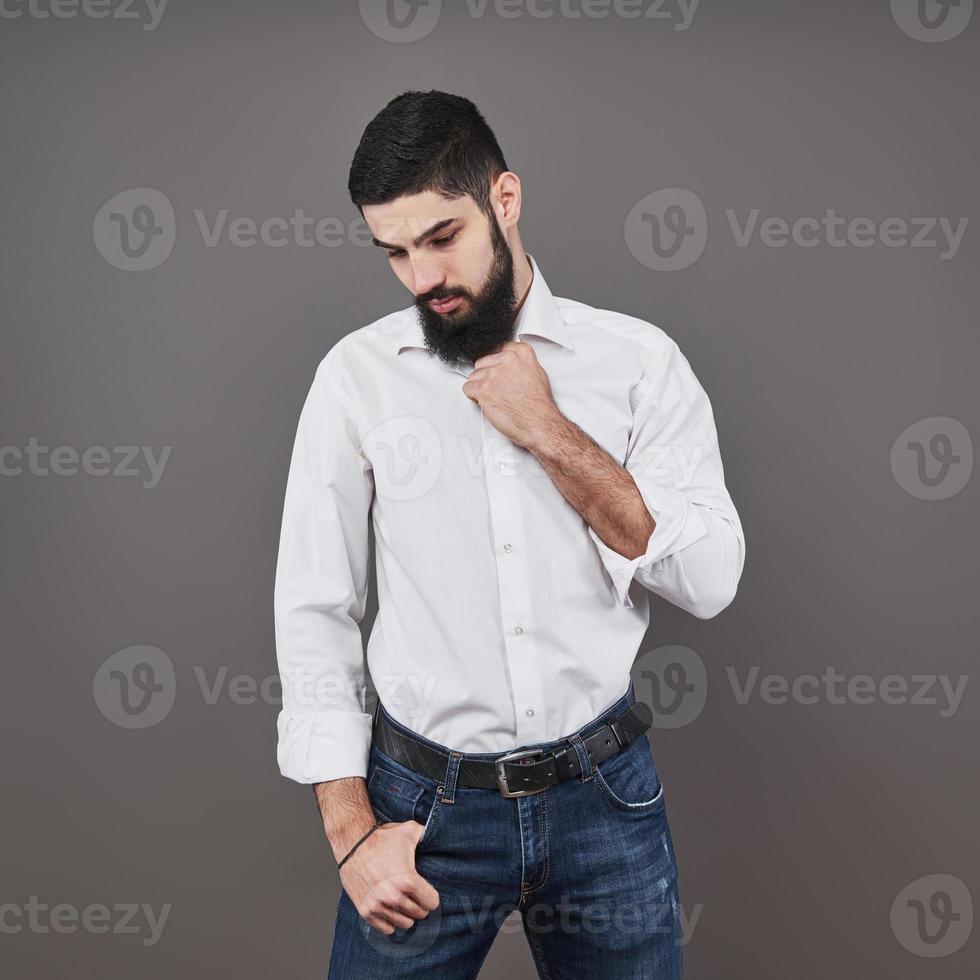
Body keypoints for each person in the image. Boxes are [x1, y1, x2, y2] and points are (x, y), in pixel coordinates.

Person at [273, 89, 745, 979]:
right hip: (422, 812)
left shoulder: (637, 363)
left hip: (604, 796)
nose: (423, 279)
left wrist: (552, 432)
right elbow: (314, 610)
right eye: (395, 252)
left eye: (442, 237)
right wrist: (350, 836)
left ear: (505, 198)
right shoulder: (356, 379)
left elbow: (711, 579)